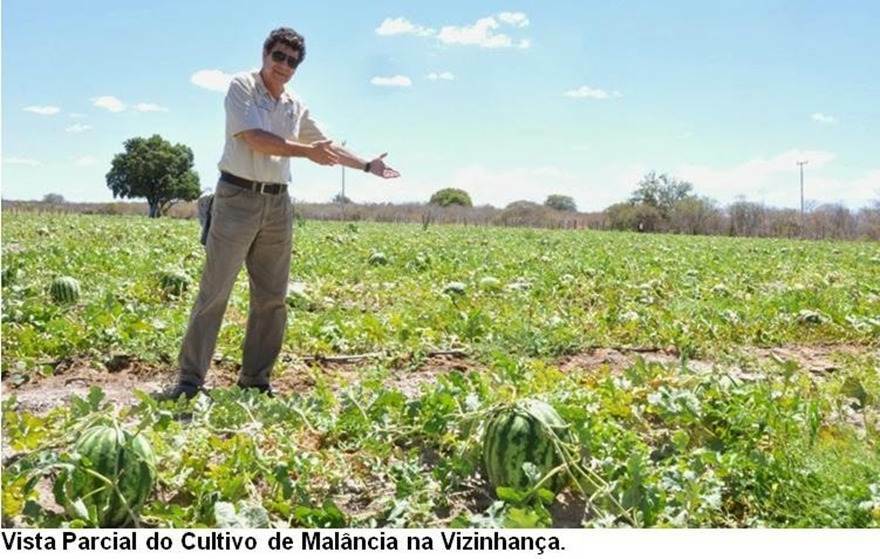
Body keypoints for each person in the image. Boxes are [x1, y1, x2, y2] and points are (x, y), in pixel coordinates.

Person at [160, 27, 399, 400]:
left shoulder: (294, 105)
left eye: (291, 61)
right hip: (237, 196)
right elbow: (254, 138)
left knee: (271, 298)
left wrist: (367, 165)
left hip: (277, 204)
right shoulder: (242, 87)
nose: (284, 66)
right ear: (265, 54)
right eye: (279, 57)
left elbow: (326, 145)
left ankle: (255, 381)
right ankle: (190, 382)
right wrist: (306, 153)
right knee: (215, 292)